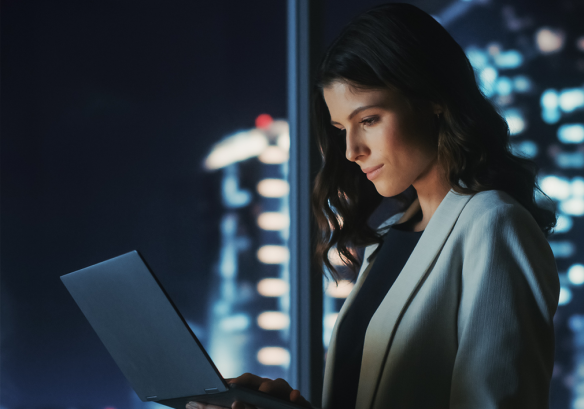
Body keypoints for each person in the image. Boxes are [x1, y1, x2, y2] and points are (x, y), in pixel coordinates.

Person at [189, 3, 560, 409]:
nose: (350, 151)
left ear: (434, 98)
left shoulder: (494, 225)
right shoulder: (385, 242)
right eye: (340, 129)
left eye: (368, 120)